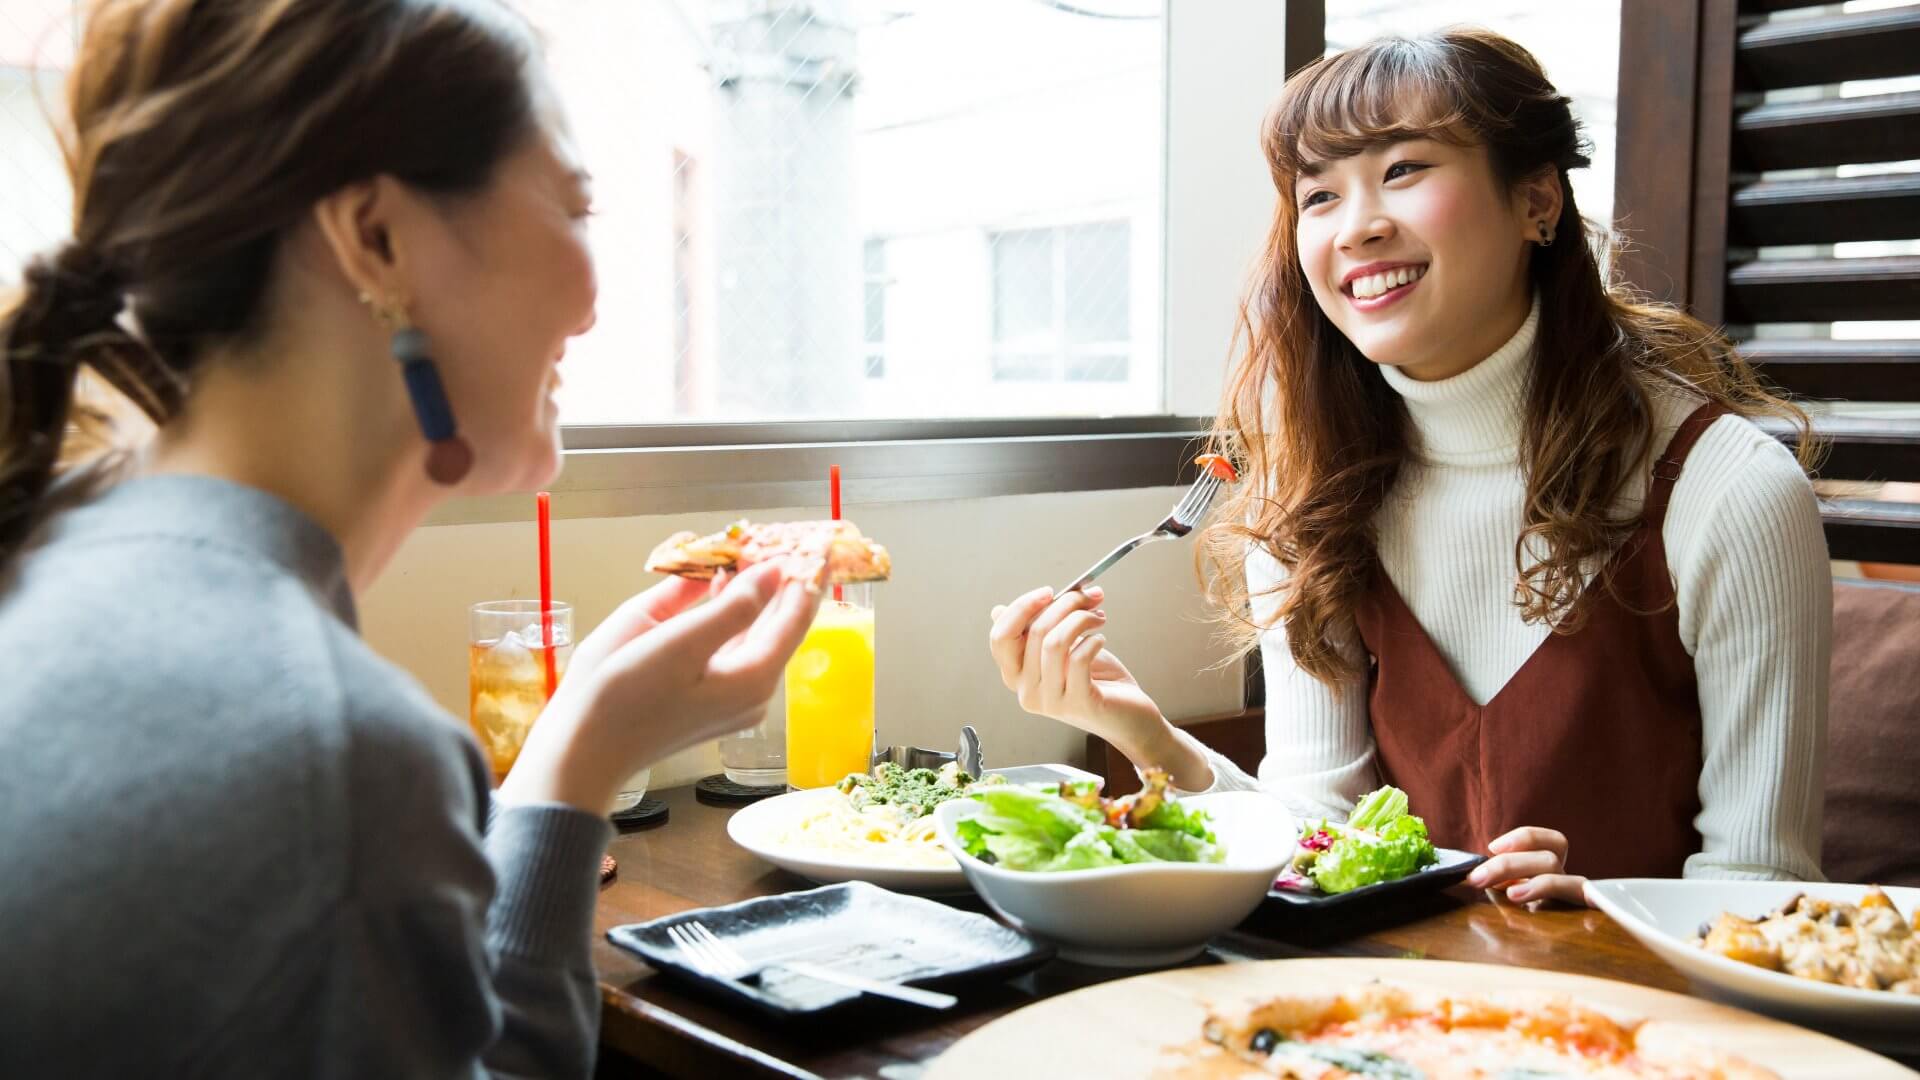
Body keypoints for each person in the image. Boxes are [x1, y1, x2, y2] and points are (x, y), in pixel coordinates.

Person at [0, 1, 823, 1075]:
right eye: (575, 208)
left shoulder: (58, 556)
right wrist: (579, 772)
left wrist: (573, 746)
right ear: (377, 239)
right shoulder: (330, 751)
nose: (592, 304)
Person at [989, 29, 1830, 907]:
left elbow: (1762, 890)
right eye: (1320, 195)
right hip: (1383, 987)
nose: (1358, 227)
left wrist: (1607, 911)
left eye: (1404, 171)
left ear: (1537, 200)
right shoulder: (1308, 492)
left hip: (1639, 995)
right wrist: (1149, 738)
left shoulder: (1729, 491)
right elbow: (1318, 836)